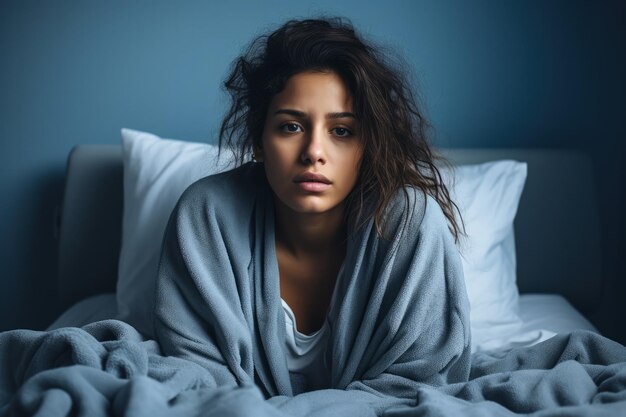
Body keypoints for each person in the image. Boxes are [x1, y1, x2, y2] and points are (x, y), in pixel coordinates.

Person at [153, 16, 470, 404]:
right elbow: (198, 375)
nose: (314, 153)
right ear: (258, 140)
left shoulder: (409, 223)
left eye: (341, 131)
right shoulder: (205, 216)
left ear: (367, 146)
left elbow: (419, 380)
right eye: (291, 127)